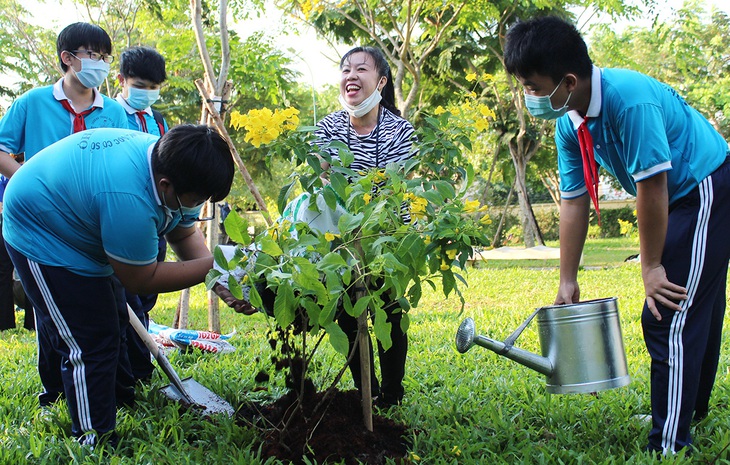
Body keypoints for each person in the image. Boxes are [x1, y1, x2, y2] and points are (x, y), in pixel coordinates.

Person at [503, 16, 730, 455]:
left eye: (533, 86)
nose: (528, 97)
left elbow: (653, 188)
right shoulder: (569, 122)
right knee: (695, 306)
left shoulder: (630, 102)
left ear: (568, 81)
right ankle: (683, 408)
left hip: (704, 187)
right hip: (672, 193)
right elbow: (573, 202)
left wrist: (651, 267)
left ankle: (669, 441)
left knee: (670, 310)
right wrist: (567, 280)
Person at [2, 124, 247, 447]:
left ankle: (98, 398)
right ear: (165, 185)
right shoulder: (129, 197)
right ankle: (93, 438)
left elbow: (184, 234)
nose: (199, 205)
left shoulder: (175, 166)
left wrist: (220, 281)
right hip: (41, 227)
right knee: (87, 336)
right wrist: (215, 265)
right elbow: (140, 278)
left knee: (110, 319)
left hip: (83, 217)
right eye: (198, 199)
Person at [0, 22, 128, 406]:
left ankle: (116, 388)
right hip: (39, 225)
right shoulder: (31, 103)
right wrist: (30, 183)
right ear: (67, 58)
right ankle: (55, 390)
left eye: (105, 57)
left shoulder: (115, 113)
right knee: (50, 314)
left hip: (93, 226)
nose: (100, 63)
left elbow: (120, 165)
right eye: (93, 55)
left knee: (110, 307)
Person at [314, 46, 417, 408]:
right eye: (345, 70)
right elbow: (323, 184)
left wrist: (366, 226)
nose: (351, 76)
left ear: (382, 81)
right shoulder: (326, 128)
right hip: (339, 242)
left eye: (361, 69)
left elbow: (392, 189)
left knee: (389, 310)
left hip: (386, 239)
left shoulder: (400, 131)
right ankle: (367, 391)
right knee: (346, 315)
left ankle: (392, 393)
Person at [116, 45, 170, 382]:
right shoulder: (108, 115)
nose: (146, 93)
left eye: (153, 87)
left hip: (155, 222)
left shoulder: (159, 121)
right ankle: (134, 371)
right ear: (121, 80)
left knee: (143, 301)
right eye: (140, 85)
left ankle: (137, 365)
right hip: (120, 220)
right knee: (124, 302)